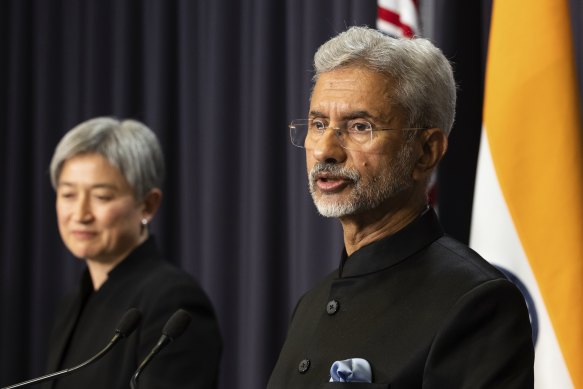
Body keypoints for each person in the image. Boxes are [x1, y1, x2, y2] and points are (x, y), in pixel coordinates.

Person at [268, 26, 534, 388]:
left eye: (360, 126)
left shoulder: (477, 303)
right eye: (318, 124)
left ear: (426, 152)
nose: (325, 150)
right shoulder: (310, 305)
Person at [44, 117, 222, 388]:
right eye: (68, 195)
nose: (80, 214)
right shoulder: (75, 300)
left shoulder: (173, 301)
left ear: (148, 205)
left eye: (102, 197)